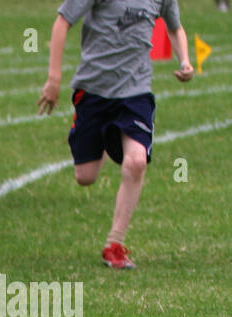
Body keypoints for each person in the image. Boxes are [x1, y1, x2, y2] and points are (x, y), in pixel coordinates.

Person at [38, 0, 193, 269]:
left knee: (136, 162)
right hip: (93, 90)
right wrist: (54, 78)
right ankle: (110, 136)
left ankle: (115, 244)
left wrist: (186, 61)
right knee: (85, 177)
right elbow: (62, 22)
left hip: (136, 92)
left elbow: (175, 28)